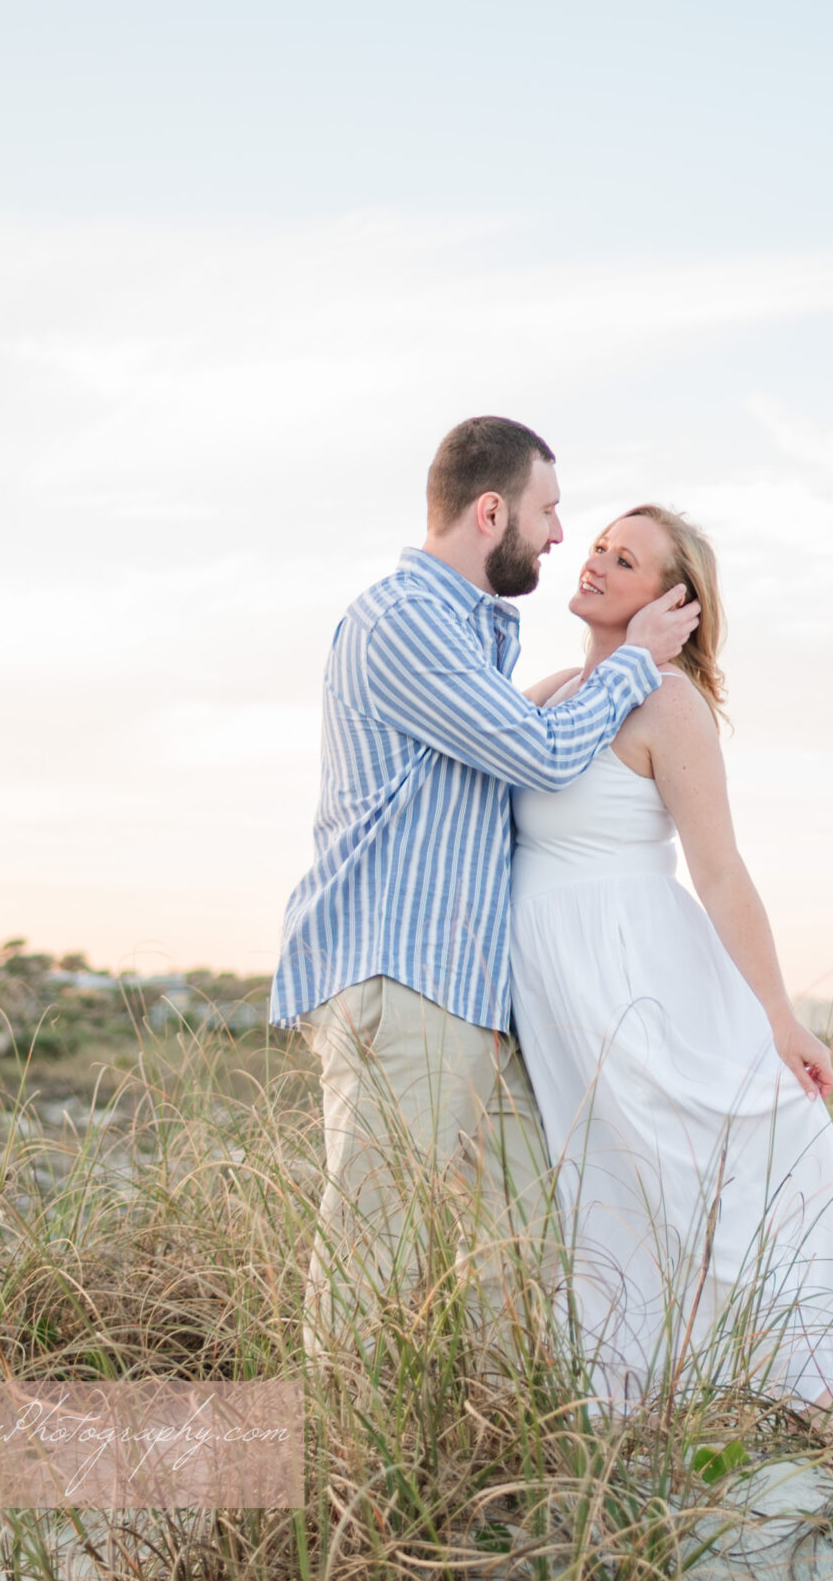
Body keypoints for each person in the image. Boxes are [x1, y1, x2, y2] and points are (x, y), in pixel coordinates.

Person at [271, 417, 701, 1358]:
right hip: (401, 978)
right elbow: (541, 757)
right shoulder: (406, 621)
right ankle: (338, 1490)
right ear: (492, 509)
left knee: (523, 1237)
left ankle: (496, 1454)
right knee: (373, 1254)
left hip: (467, 993)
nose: (558, 537)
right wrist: (637, 660)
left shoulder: (476, 635)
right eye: (550, 513)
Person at [511, 504, 833, 1409]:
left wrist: (781, 1013)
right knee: (597, 1176)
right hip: (554, 979)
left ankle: (755, 1375)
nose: (595, 560)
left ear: (670, 601)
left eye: (623, 557)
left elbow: (720, 871)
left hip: (631, 973)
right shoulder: (556, 687)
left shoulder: (669, 704)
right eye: (597, 544)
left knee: (675, 1160)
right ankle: (625, 1382)